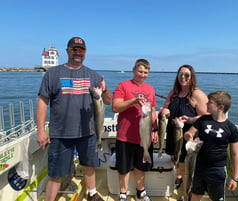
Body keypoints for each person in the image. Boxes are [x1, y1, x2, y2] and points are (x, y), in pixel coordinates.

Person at [36, 36, 112, 201]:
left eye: (81, 50)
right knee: (55, 172)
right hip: (60, 133)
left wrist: (104, 91)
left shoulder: (93, 75)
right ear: (67, 51)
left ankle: (92, 193)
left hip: (88, 131)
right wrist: (41, 130)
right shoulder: (52, 74)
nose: (78, 52)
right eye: (74, 49)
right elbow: (42, 101)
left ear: (85, 53)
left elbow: (108, 101)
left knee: (89, 165)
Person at [159, 64, 208, 201]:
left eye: (186, 75)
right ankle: (179, 182)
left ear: (192, 77)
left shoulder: (197, 94)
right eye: (181, 74)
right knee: (177, 161)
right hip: (174, 134)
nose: (183, 77)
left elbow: (207, 116)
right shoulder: (173, 92)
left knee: (188, 168)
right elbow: (165, 108)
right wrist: (165, 111)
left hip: (189, 137)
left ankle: (185, 195)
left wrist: (191, 119)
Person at [112, 59, 158, 201]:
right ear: (133, 70)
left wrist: (155, 129)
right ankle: (123, 193)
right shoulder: (123, 86)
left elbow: (153, 110)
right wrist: (133, 101)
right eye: (140, 71)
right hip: (125, 136)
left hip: (144, 137)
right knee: (124, 168)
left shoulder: (150, 89)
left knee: (141, 167)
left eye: (145, 72)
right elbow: (115, 107)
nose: (143, 75)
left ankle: (141, 191)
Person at [184, 91, 238, 201]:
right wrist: (189, 136)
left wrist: (235, 178)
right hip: (199, 167)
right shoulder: (203, 120)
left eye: (210, 102)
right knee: (195, 195)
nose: (206, 104)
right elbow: (189, 133)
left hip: (217, 170)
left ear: (220, 107)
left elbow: (235, 154)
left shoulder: (231, 128)